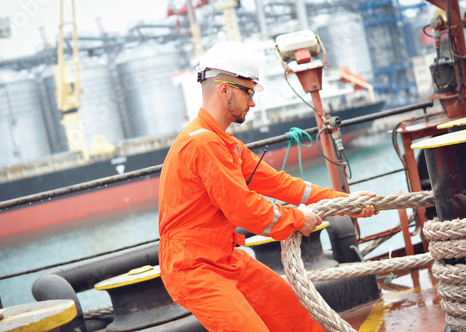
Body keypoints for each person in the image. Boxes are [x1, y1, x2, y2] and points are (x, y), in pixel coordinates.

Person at [158, 41, 378, 332]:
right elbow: (244, 210)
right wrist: (298, 219)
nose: (252, 102)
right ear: (224, 90)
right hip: (194, 269)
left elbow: (280, 185)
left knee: (299, 321)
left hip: (225, 258)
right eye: (248, 91)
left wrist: (346, 202)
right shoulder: (204, 143)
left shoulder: (225, 144)